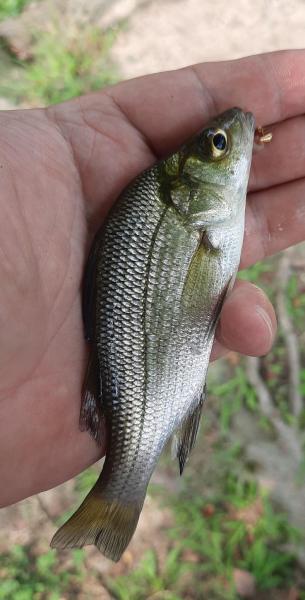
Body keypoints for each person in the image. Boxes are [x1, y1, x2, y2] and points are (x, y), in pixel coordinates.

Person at [0, 49, 304, 508]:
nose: (233, 136)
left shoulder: (192, 211)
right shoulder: (174, 204)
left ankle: (118, 492)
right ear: (189, 186)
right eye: (218, 146)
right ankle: (121, 491)